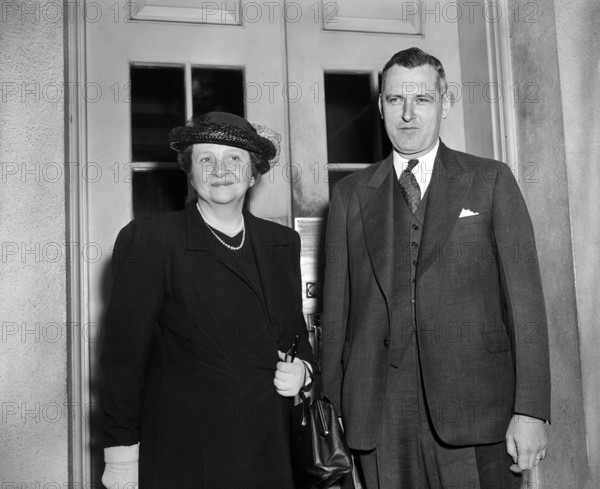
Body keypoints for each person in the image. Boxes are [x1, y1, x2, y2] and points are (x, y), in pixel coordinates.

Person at [322, 47, 550, 488]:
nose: (407, 114)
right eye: (394, 100)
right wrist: (333, 409)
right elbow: (337, 313)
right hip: (379, 418)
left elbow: (526, 306)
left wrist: (531, 410)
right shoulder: (350, 194)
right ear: (381, 106)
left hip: (478, 414)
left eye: (422, 99)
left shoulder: (491, 180)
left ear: (444, 104)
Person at [100, 112, 314, 488]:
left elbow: (294, 336)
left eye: (234, 158)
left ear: (253, 173)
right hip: (187, 454)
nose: (220, 169)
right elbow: (122, 360)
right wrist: (121, 454)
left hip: (270, 452)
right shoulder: (152, 241)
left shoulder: (281, 243)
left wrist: (305, 373)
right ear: (190, 171)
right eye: (206, 159)